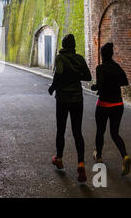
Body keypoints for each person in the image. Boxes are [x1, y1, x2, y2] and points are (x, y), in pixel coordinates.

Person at [48, 34, 92, 184]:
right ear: (73, 45)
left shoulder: (60, 58)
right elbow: (87, 76)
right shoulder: (79, 58)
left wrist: (52, 88)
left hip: (63, 99)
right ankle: (81, 163)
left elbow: (58, 74)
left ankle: (59, 158)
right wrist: (75, 74)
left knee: (61, 129)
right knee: (77, 132)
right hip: (77, 99)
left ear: (63, 45)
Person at [91, 42, 131, 175]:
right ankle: (125, 156)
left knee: (100, 131)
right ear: (112, 54)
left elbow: (100, 86)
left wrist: (94, 87)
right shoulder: (117, 67)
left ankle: (99, 156)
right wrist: (114, 82)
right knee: (115, 133)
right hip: (118, 105)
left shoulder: (100, 68)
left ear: (103, 55)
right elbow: (124, 82)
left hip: (104, 105)